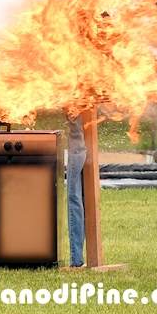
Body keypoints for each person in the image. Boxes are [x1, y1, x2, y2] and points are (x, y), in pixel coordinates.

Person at [66, 113, 87, 268]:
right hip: (83, 142)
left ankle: (76, 260)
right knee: (79, 197)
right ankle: (78, 259)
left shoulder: (75, 97)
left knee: (74, 195)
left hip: (78, 145)